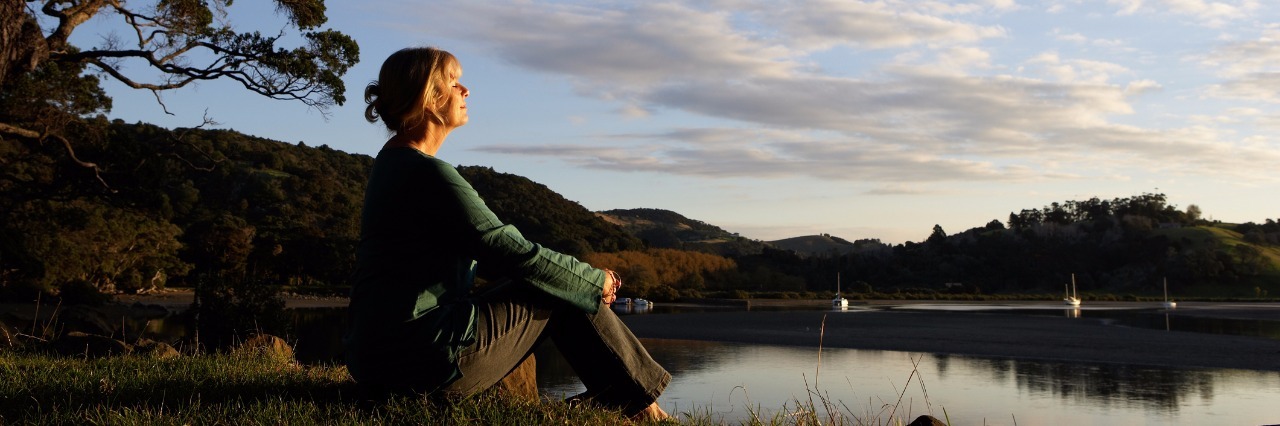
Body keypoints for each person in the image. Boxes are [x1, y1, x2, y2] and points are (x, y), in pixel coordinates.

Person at [344, 46, 671, 421]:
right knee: (557, 283)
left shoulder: (392, 164)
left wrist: (580, 277)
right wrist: (594, 279)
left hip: (381, 360)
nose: (466, 90)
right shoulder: (426, 174)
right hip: (419, 365)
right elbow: (512, 252)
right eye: (454, 82)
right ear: (429, 99)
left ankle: (629, 399)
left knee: (559, 279)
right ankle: (645, 409)